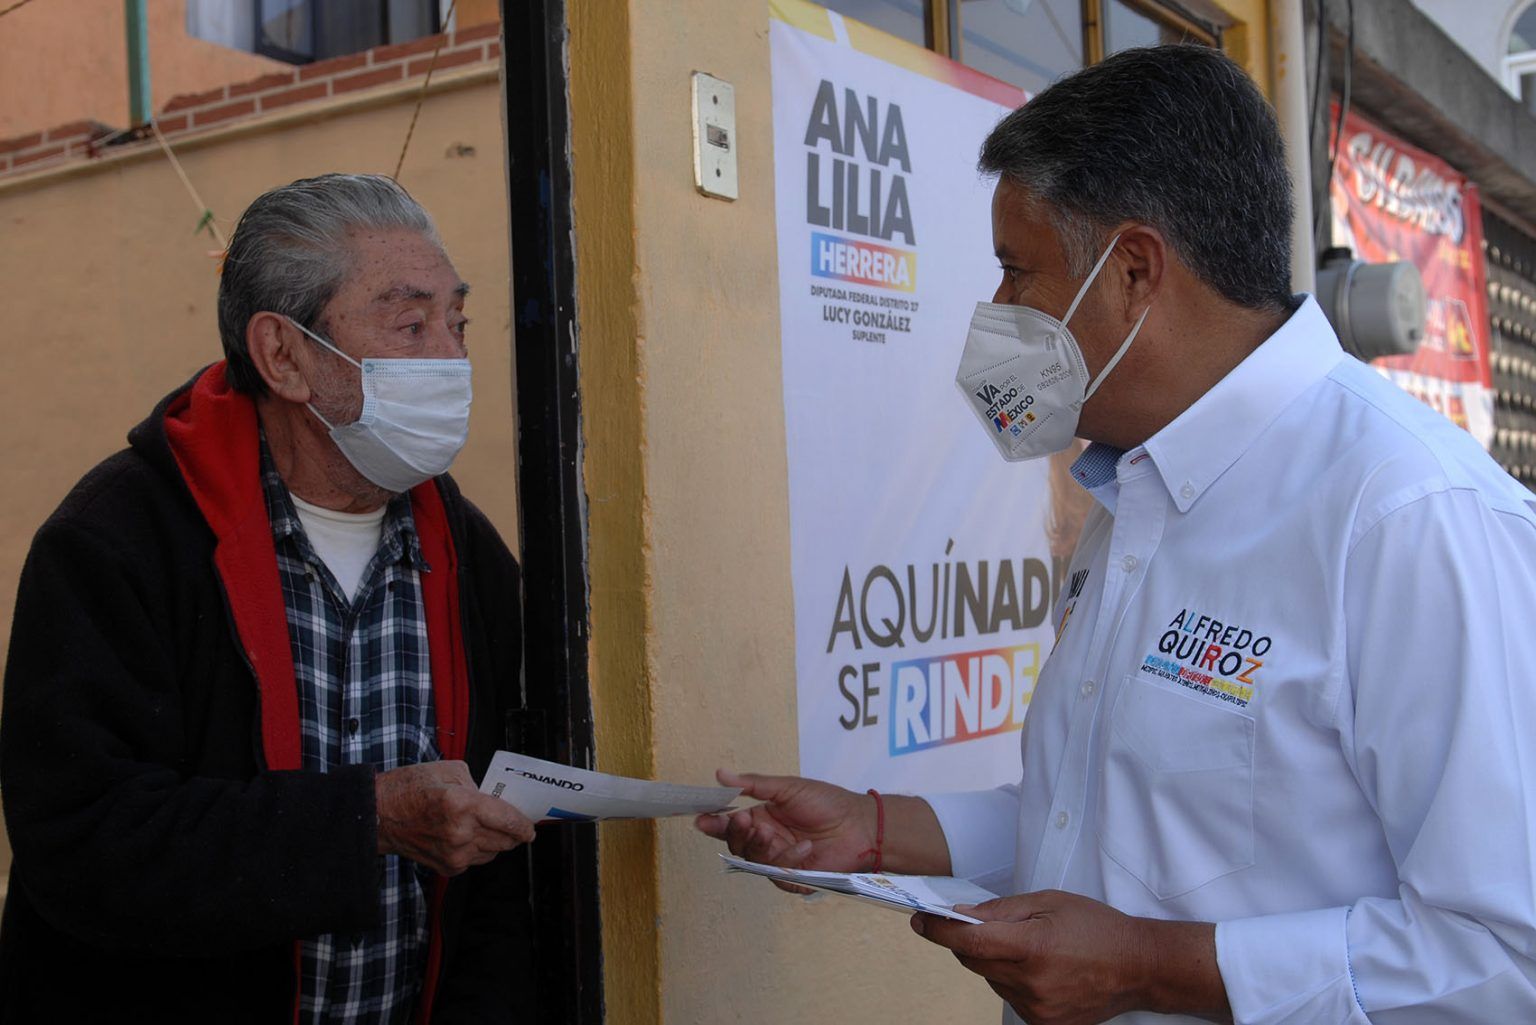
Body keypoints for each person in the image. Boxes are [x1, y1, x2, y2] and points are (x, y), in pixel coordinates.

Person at [699, 44, 1536, 1025]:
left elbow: (1501, 952)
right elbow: (1098, 821)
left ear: (1135, 268)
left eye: (1018, 272)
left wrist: (1148, 966)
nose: (999, 312)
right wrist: (881, 830)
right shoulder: (1134, 489)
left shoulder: (1406, 514)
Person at [1, 173, 538, 1024]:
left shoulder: (467, 551)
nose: (451, 356)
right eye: (410, 323)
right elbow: (83, 841)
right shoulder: (116, 541)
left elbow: (507, 879)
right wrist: (365, 821)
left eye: (458, 321)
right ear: (283, 355)